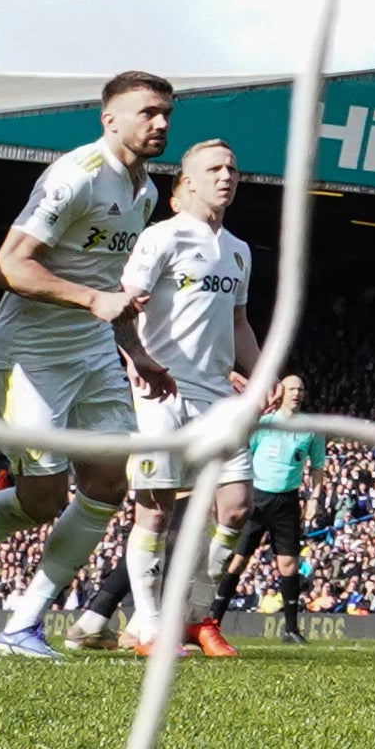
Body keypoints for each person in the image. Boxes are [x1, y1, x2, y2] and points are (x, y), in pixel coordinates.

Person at [0, 69, 176, 657]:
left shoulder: (146, 190)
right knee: (43, 502)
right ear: (109, 118)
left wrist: (137, 354)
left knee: (109, 483)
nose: (160, 124)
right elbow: (5, 267)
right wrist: (90, 301)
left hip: (92, 351)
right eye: (147, 112)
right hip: (30, 354)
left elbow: (112, 287)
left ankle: (22, 626)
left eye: (166, 114)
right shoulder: (74, 177)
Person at [117, 136, 257, 657]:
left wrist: (261, 376)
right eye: (215, 168)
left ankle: (196, 615)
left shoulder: (239, 251)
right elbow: (123, 305)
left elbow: (239, 321)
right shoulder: (162, 238)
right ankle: (150, 626)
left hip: (217, 397)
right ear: (189, 181)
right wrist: (137, 360)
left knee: (237, 508)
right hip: (162, 393)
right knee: (153, 512)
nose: (227, 176)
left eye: (233, 168)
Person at [220, 375, 321, 642]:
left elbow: (317, 467)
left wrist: (314, 498)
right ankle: (213, 620)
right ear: (281, 392)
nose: (297, 393)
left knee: (288, 563)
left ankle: (290, 629)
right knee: (238, 561)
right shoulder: (263, 424)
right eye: (292, 389)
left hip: (287, 501)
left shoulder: (311, 428)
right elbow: (246, 456)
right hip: (257, 498)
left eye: (301, 389)